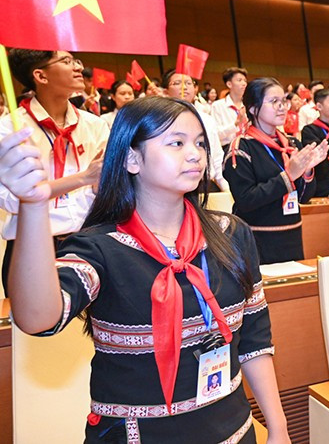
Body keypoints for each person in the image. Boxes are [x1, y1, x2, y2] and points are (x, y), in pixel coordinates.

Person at [0, 97, 290, 442]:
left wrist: (278, 428)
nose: (196, 153)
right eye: (176, 143)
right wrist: (32, 205)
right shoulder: (100, 248)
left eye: (199, 142)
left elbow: (254, 341)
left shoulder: (232, 233)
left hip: (234, 430)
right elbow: (36, 318)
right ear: (132, 159)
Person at [0, 50, 109, 289]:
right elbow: (11, 200)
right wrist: (82, 179)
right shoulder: (9, 130)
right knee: (35, 323)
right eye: (67, 61)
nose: (78, 67)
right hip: (31, 246)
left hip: (89, 242)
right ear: (41, 75)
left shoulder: (94, 125)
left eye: (76, 60)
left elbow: (103, 189)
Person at [224, 78, 327, 264]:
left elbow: (303, 197)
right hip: (258, 240)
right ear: (254, 109)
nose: (282, 107)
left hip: (292, 237)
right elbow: (246, 200)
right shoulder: (240, 148)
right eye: (274, 102)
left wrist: (308, 170)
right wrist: (289, 176)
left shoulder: (290, 144)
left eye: (283, 101)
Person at [164, 70, 229, 192]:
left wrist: (225, 187)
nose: (184, 87)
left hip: (205, 185)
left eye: (189, 83)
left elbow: (216, 156)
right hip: (173, 187)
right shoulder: (161, 121)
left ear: (195, 89)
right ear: (166, 91)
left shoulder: (207, 119)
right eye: (177, 83)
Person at [211, 67, 248, 153]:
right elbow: (216, 134)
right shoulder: (218, 106)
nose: (244, 84)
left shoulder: (248, 105)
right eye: (239, 80)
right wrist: (235, 124)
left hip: (248, 147)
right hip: (227, 149)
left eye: (245, 81)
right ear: (229, 84)